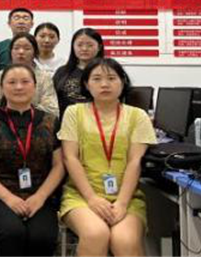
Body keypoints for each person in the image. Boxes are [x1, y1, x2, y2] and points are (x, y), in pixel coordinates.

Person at [58, 58, 157, 257]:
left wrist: (121, 203)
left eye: (111, 78)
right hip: (81, 195)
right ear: (86, 84)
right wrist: (92, 198)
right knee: (96, 234)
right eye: (96, 79)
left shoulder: (138, 116)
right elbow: (70, 158)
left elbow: (135, 162)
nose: (104, 84)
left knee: (125, 240)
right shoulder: (74, 112)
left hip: (126, 197)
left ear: (122, 82)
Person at [0, 63, 65, 256]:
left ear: (35, 86)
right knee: (12, 233)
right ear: (1, 87)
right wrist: (8, 198)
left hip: (40, 195)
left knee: (42, 236)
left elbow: (59, 166)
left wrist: (40, 197)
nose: (19, 87)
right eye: (12, 82)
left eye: (25, 82)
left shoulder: (50, 121)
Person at [0, 33, 59, 117]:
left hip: (36, 123)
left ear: (35, 52)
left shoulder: (44, 78)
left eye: (27, 48)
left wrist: (25, 118)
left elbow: (51, 109)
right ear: (10, 52)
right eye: (16, 48)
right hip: (2, 122)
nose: (21, 52)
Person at [53, 28, 104, 117]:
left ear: (99, 47)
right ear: (73, 47)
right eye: (79, 45)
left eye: (90, 45)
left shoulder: (107, 72)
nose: (84, 49)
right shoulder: (62, 72)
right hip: (67, 121)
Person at [0, 8, 34, 73]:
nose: (21, 22)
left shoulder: (38, 45)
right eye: (16, 18)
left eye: (25, 18)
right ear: (9, 23)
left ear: (32, 24)